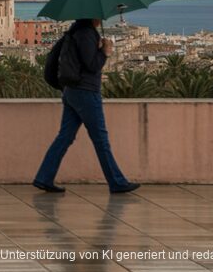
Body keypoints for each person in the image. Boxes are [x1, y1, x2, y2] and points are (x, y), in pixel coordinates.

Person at [34, 18, 139, 194]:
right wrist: (105, 52)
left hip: (71, 91)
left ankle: (44, 177)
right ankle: (117, 182)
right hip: (86, 92)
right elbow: (92, 65)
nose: (101, 18)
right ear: (92, 16)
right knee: (100, 139)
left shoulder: (76, 32)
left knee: (65, 137)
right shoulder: (86, 34)